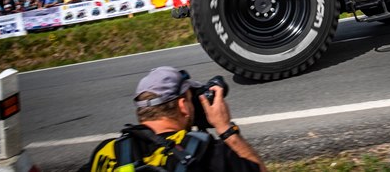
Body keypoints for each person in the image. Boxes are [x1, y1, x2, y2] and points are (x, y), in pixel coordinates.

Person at [79, 67, 266, 172]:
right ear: (183, 106)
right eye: (192, 100)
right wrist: (226, 129)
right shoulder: (205, 152)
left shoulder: (106, 151)